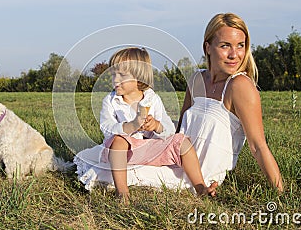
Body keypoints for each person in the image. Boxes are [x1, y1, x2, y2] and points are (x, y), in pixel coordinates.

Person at [74, 47, 217, 203]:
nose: (115, 80)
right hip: (122, 152)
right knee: (119, 141)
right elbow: (106, 128)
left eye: (121, 75)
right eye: (113, 74)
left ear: (139, 77)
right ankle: (122, 192)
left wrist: (156, 126)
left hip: (149, 149)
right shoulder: (111, 101)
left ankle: (200, 187)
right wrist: (130, 126)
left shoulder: (152, 99)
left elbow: (169, 129)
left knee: (182, 141)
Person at [177, 12, 283, 192]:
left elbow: (258, 146)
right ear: (208, 47)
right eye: (225, 46)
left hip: (201, 179)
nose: (234, 54)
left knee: (120, 174)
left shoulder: (239, 86)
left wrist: (281, 193)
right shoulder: (197, 79)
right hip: (175, 162)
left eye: (240, 46)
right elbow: (179, 132)